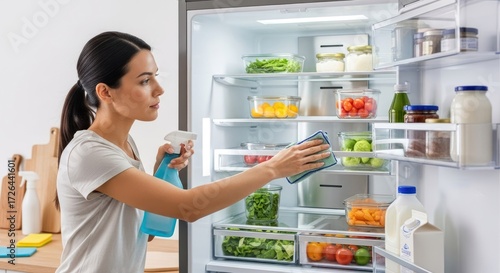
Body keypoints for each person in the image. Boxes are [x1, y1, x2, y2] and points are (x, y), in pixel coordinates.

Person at [55, 31, 331, 273]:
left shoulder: (124, 146)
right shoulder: (89, 153)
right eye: (144, 81)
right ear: (106, 92)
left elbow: (144, 232)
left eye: (155, 78)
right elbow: (187, 207)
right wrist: (273, 168)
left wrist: (160, 174)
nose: (159, 89)